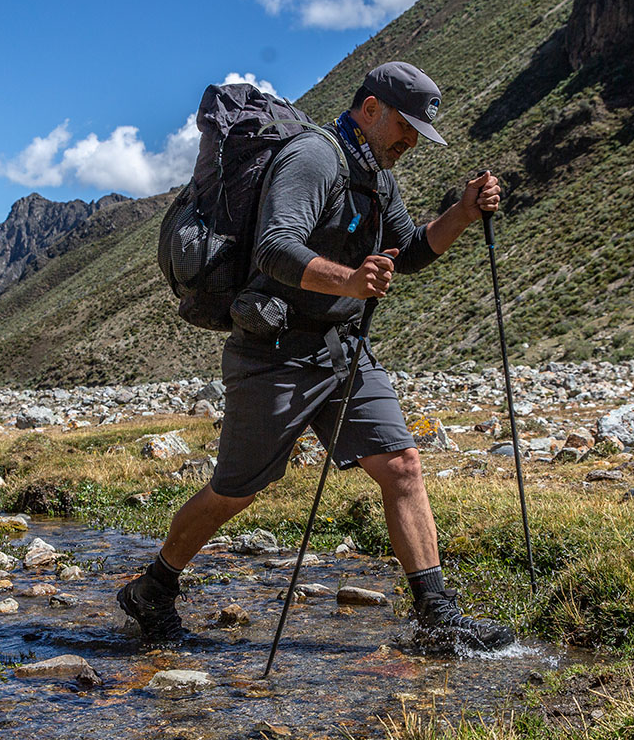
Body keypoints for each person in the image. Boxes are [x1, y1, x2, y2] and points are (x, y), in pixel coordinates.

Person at [119, 61, 514, 652]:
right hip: (274, 353)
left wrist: (461, 212)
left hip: (343, 350)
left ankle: (437, 617)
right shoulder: (314, 157)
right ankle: (153, 588)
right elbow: (274, 248)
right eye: (406, 127)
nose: (410, 142)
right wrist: (350, 280)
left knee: (402, 464)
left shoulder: (376, 173)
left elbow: (405, 252)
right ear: (372, 108)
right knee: (235, 491)